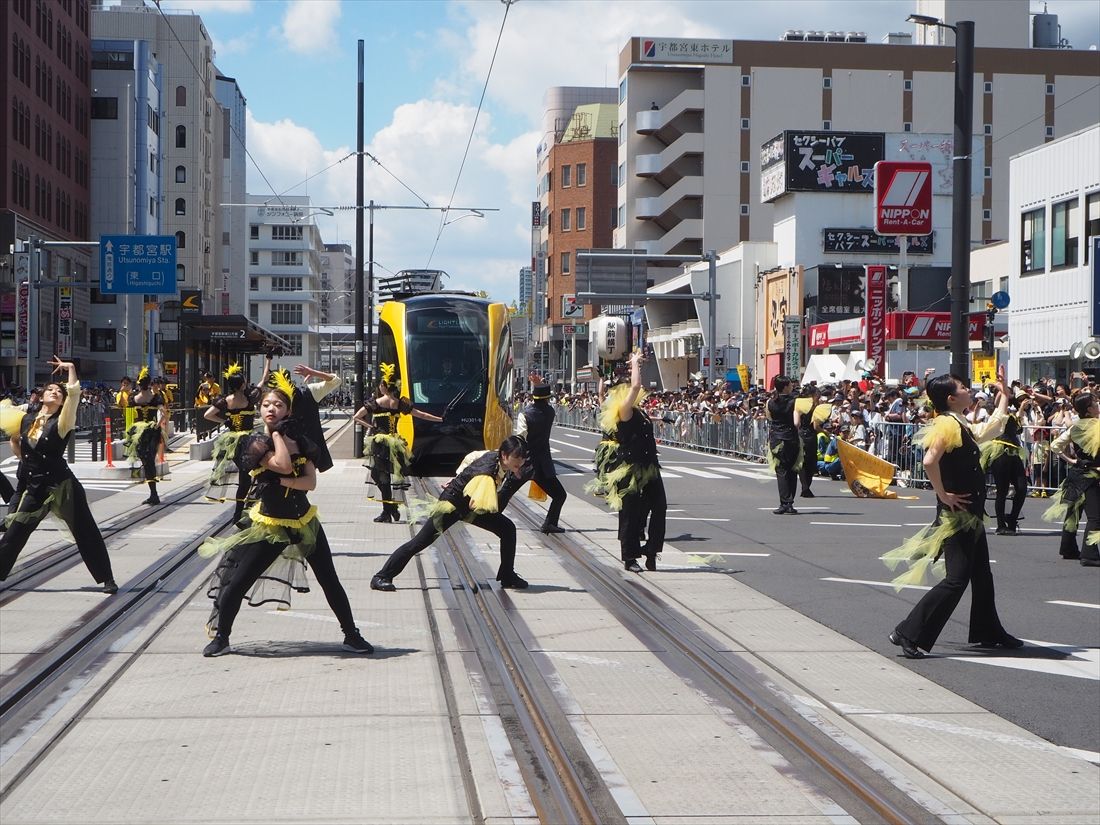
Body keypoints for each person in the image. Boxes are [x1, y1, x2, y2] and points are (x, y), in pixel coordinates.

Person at [199, 371, 372, 657]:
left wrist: (282, 480)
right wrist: (278, 436)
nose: (271, 409)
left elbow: (310, 483)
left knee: (330, 580)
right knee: (239, 579)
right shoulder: (253, 442)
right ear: (259, 409)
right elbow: (280, 463)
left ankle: (351, 635)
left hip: (304, 521)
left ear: (288, 410)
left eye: (278, 406)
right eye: (267, 405)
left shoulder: (303, 442)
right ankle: (222, 637)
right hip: (269, 524)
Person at [883, 370, 1022, 659]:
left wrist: (1005, 396)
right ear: (951, 398)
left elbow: (989, 430)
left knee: (982, 574)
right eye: (962, 387)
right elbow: (929, 460)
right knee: (956, 579)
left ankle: (989, 631)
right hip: (957, 515)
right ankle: (908, 631)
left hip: (970, 512)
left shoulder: (959, 422)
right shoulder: (947, 424)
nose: (968, 390)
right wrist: (943, 494)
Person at [0, 357, 117, 593]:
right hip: (36, 487)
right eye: (50, 390)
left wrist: (71, 369)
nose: (55, 392)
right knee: (16, 531)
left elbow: (74, 394)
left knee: (85, 530)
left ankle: (107, 578)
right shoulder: (26, 419)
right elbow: (17, 443)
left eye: (58, 392)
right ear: (41, 397)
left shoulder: (63, 421)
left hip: (63, 485)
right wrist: (23, 456)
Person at [370, 436, 531, 592]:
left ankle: (507, 576)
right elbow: (478, 504)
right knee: (420, 542)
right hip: (452, 506)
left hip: (465, 506)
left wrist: (458, 476)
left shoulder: (494, 456)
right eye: (516, 462)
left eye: (521, 463)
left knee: (507, 529)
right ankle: (381, 577)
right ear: (504, 455)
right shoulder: (487, 474)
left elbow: (471, 457)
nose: (519, 466)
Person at [589, 351, 666, 573]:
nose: (632, 391)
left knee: (660, 506)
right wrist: (634, 364)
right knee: (630, 513)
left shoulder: (637, 411)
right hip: (629, 467)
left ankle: (652, 550)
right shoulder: (623, 411)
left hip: (649, 465)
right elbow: (634, 387)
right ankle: (630, 557)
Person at [352, 363, 442, 524]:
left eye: (380, 384)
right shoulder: (400, 403)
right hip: (395, 442)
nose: (379, 387)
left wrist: (371, 426)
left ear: (384, 386)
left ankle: (388, 510)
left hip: (379, 442)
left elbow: (356, 417)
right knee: (389, 476)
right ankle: (389, 509)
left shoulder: (376, 402)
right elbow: (420, 414)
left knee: (379, 475)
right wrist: (439, 419)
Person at [204, 359, 270, 523]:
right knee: (254, 474)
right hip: (249, 441)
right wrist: (268, 360)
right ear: (241, 384)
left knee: (245, 476)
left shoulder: (225, 400)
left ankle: (238, 513)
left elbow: (208, 415)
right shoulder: (250, 397)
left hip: (232, 442)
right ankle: (246, 509)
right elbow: (264, 380)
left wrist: (225, 421)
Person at [1044, 392, 1100, 565]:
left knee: (1073, 513)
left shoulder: (1075, 427)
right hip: (1093, 474)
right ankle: (1089, 554)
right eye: (1095, 402)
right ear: (1089, 409)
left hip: (1076, 473)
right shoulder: (1097, 425)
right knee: (1095, 517)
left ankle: (1068, 548)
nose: (1098, 404)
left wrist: (1072, 460)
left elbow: (1055, 446)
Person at [515, 378, 568, 533]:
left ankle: (490, 513)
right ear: (547, 398)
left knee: (505, 492)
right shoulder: (550, 412)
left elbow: (521, 438)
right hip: (543, 464)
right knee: (559, 495)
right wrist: (540, 384)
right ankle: (550, 523)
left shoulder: (525, 415)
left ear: (533, 397)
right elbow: (544, 403)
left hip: (525, 462)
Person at [982, 391, 1029, 536]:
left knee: (1022, 488)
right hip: (999, 452)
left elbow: (1018, 429)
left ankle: (1012, 519)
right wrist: (1002, 391)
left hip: (1014, 453)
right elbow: (997, 404)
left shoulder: (1013, 416)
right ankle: (1001, 524)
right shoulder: (997, 415)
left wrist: (1020, 408)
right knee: (1002, 490)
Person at [123, 367, 167, 505]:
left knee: (145, 460)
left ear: (138, 383)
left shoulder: (134, 398)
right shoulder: (156, 397)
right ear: (148, 384)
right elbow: (164, 413)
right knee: (150, 460)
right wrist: (157, 424)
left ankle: (153, 493)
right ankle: (153, 493)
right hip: (153, 431)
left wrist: (129, 432)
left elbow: (129, 416)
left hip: (139, 432)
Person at [767, 375, 802, 515]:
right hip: (791, 438)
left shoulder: (771, 402)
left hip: (776, 438)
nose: (792, 386)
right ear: (786, 386)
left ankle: (784, 502)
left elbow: (769, 417)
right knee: (792, 470)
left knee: (781, 471)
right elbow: (796, 423)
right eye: (790, 384)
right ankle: (790, 503)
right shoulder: (795, 402)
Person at [796, 385, 821, 498]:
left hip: (801, 434)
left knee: (803, 461)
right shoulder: (816, 407)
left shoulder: (799, 405)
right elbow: (816, 426)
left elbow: (797, 422)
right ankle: (806, 487)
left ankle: (804, 486)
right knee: (810, 461)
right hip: (811, 435)